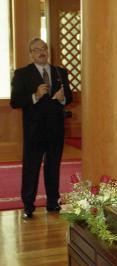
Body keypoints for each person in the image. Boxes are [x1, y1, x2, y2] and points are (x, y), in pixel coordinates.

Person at [10, 38, 73, 219]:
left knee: (53, 167)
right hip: (33, 130)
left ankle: (53, 202)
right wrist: (35, 95)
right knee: (31, 168)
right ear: (31, 54)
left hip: (55, 129)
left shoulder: (59, 72)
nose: (41, 52)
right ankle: (28, 206)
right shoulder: (22, 73)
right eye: (36, 50)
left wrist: (62, 98)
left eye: (44, 48)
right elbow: (15, 102)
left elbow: (68, 98)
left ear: (48, 50)